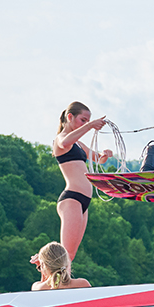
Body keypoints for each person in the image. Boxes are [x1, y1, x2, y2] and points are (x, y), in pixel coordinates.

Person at [52, 101, 114, 264]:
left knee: (70, 255)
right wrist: (90, 126)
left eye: (87, 121)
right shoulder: (61, 139)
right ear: (70, 117)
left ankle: (62, 281)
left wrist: (105, 154)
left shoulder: (79, 144)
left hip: (83, 201)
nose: (85, 124)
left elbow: (97, 159)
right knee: (64, 253)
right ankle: (55, 282)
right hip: (72, 199)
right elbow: (65, 143)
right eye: (83, 120)